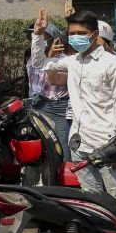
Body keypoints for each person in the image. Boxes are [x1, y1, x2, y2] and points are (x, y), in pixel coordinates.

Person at [31, 9, 116, 208]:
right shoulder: (73, 62)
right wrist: (38, 35)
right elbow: (39, 63)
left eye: (80, 34)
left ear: (94, 35)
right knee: (91, 195)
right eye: (72, 34)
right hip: (78, 142)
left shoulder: (113, 65)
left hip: (105, 141)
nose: (75, 38)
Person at [26, 23, 70, 158]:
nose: (35, 38)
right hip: (36, 105)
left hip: (57, 107)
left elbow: (53, 79)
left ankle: (65, 176)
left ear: (54, 39)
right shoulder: (32, 59)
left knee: (62, 147)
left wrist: (51, 57)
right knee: (40, 146)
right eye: (33, 35)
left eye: (41, 35)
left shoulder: (64, 60)